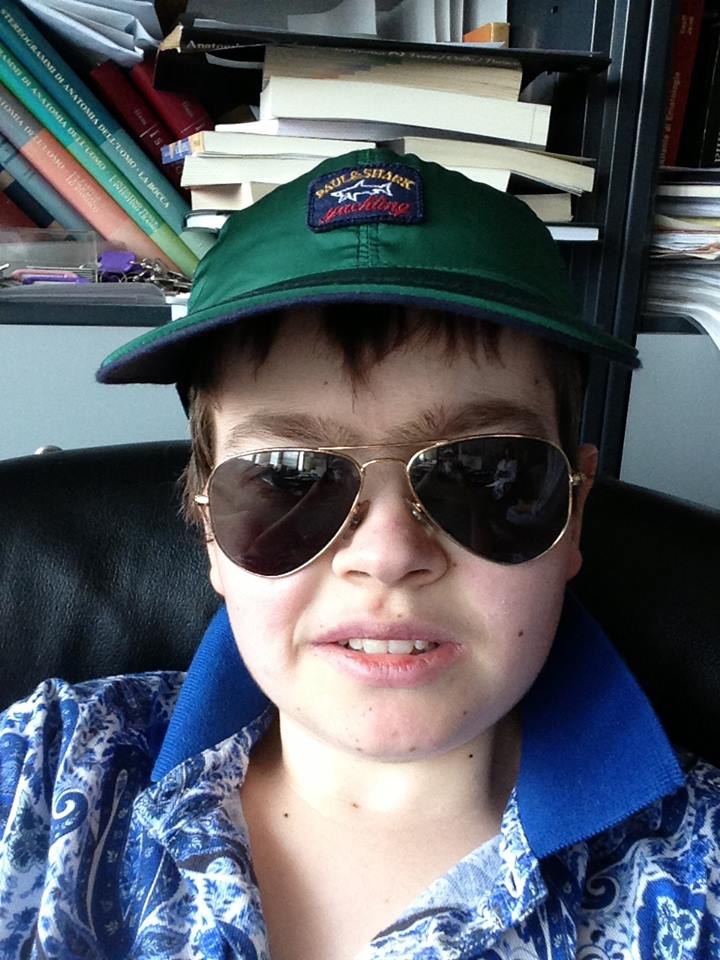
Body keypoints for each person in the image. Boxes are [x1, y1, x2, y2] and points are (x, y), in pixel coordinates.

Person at [1, 148, 718, 960]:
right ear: (207, 531)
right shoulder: (44, 773)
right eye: (288, 479)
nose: (386, 555)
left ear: (574, 516)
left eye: (484, 473)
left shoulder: (702, 880)